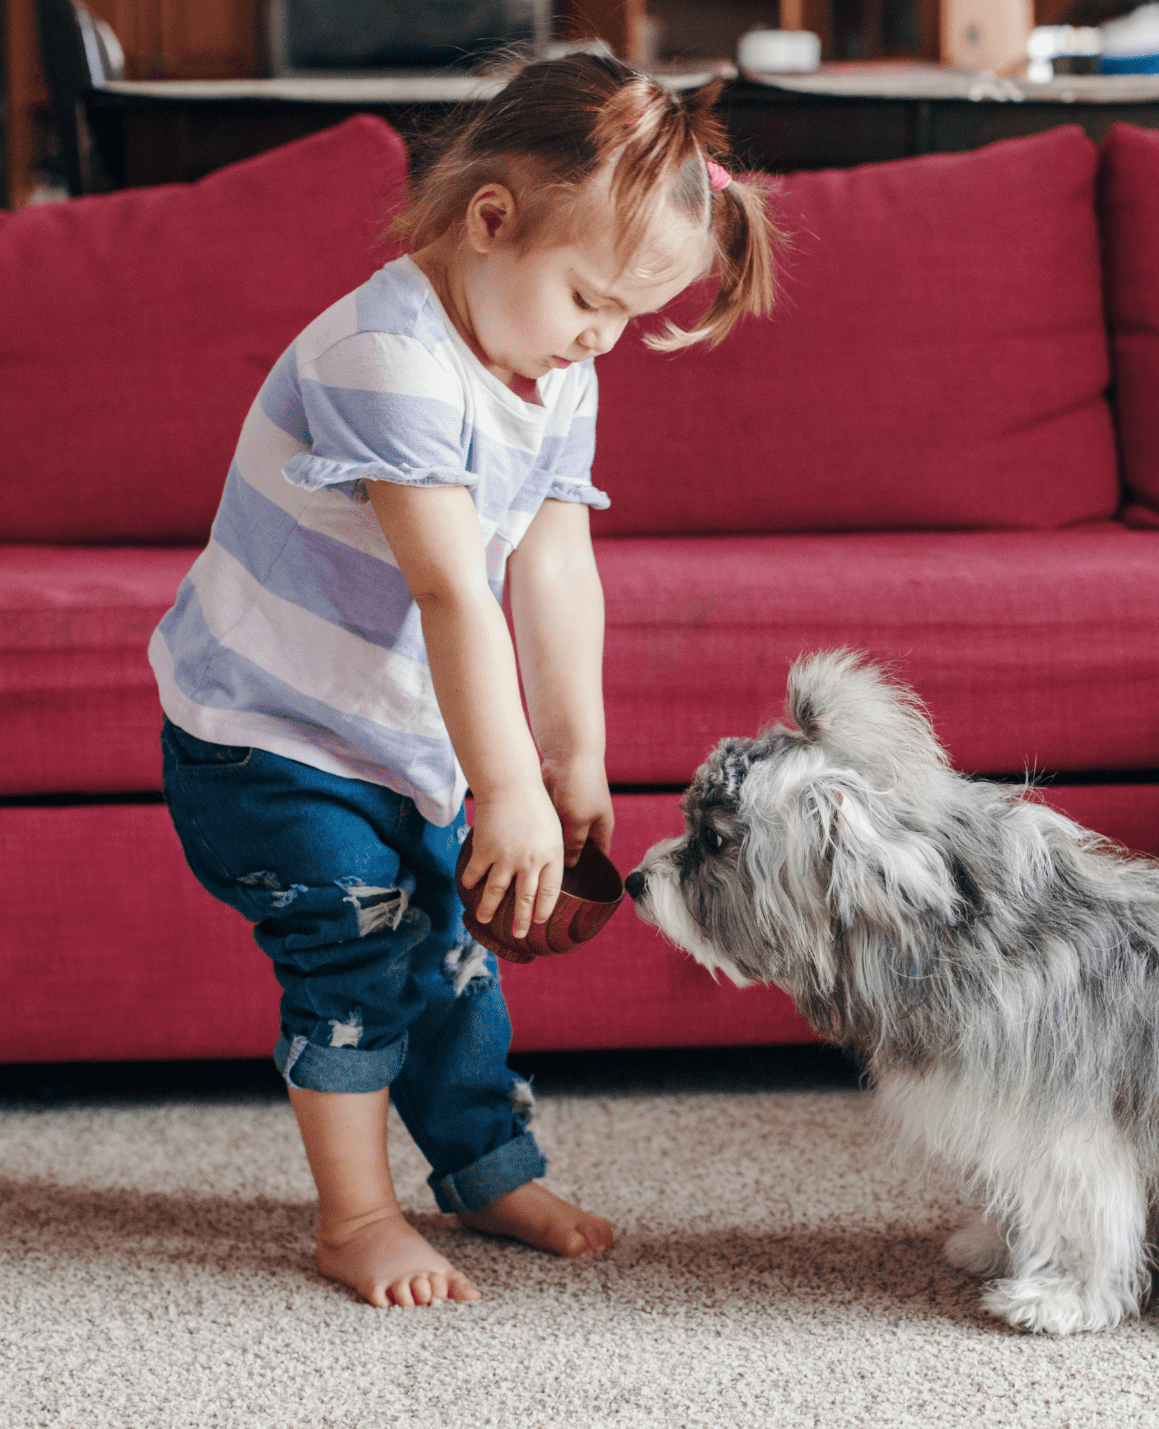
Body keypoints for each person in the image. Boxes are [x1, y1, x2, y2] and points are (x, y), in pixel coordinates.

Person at [148, 53, 776, 1308]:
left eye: (623, 319)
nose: (601, 339)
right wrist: (507, 785)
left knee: (451, 952)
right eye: (589, 298)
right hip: (268, 736)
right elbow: (448, 584)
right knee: (360, 959)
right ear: (490, 218)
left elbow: (554, 567)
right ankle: (357, 1217)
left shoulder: (555, 371)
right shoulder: (384, 356)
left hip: (408, 732)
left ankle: (485, 1166)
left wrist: (570, 759)